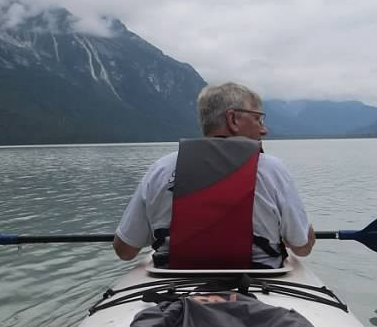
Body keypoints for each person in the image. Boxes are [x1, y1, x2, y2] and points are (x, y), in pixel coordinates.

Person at [113, 82, 316, 267]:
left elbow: (125, 250)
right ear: (233, 119)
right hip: (259, 281)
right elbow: (302, 247)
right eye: (257, 118)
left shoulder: (161, 169)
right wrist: (304, 231)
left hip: (173, 285)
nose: (264, 130)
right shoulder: (272, 169)